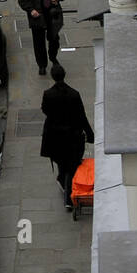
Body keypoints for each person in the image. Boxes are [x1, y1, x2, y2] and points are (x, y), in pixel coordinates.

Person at [40, 64, 94, 208]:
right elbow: (82, 116)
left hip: (55, 137)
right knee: (71, 166)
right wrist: (90, 134)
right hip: (72, 137)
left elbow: (45, 111)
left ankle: (66, 191)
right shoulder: (74, 94)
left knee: (63, 165)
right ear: (64, 75)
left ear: (52, 76)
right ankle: (68, 196)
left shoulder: (48, 94)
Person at [18, 0, 66, 75]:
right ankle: (42, 65)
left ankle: (53, 57)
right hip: (37, 15)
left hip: (52, 13)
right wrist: (30, 10)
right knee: (38, 42)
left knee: (54, 39)